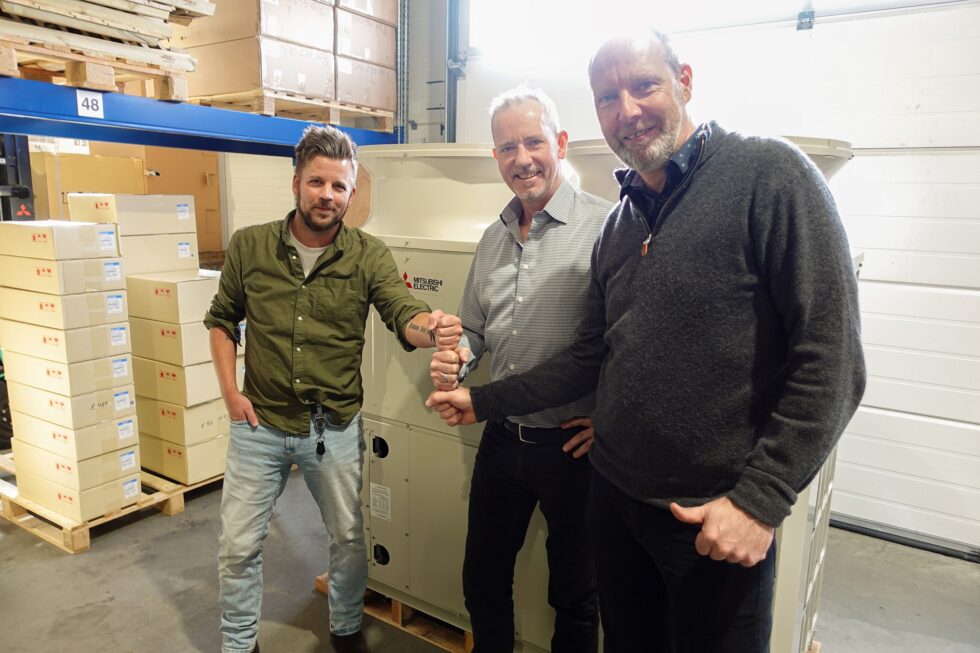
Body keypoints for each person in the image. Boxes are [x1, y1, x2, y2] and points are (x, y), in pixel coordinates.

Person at [426, 31, 866, 653]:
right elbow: (593, 355)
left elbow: (833, 359)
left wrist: (761, 499)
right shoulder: (622, 223)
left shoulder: (769, 175)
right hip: (615, 501)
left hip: (709, 517)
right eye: (608, 98)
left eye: (644, 86)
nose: (627, 110)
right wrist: (482, 401)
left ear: (684, 81)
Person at [206, 124, 462, 653]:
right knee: (238, 546)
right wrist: (231, 393)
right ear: (296, 183)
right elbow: (222, 320)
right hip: (259, 424)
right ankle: (239, 644)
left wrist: (431, 326)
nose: (327, 195)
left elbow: (402, 313)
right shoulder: (250, 246)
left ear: (350, 192)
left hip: (333, 428)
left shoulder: (368, 255)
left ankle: (345, 630)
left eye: (339, 186)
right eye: (317, 182)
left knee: (347, 538)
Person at [429, 87, 611, 653]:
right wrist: (458, 358)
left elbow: (625, 346)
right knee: (482, 580)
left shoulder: (607, 228)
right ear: (496, 157)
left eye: (534, 142)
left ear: (560, 143)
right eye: (508, 148)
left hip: (573, 450)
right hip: (503, 441)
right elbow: (475, 328)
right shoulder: (493, 238)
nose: (522, 158)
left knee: (576, 596)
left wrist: (612, 419)